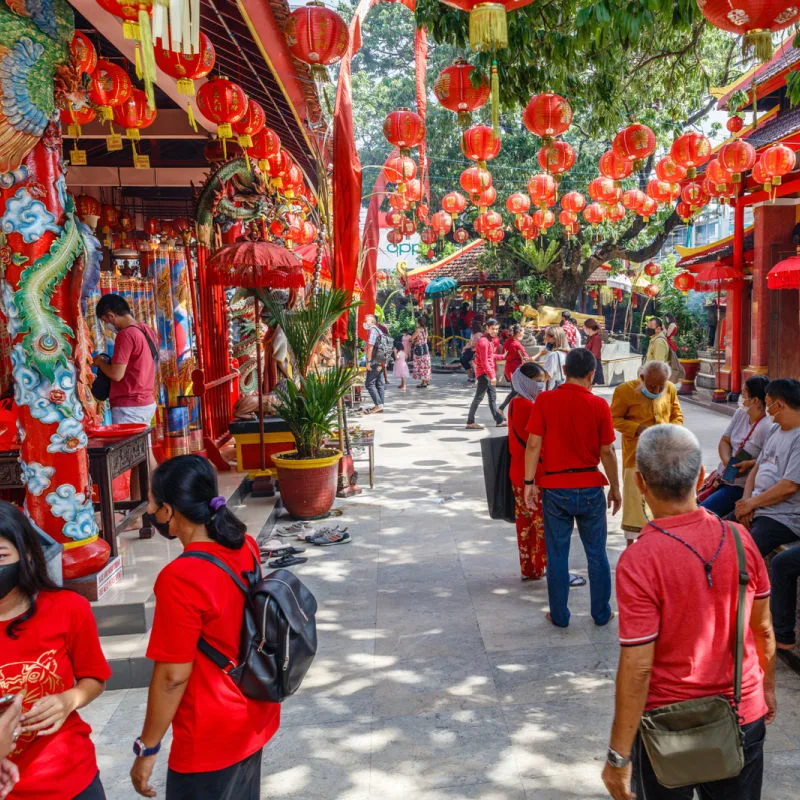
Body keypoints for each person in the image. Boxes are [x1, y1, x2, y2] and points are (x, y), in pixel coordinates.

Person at [602, 425, 776, 800]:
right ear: (700, 476)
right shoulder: (740, 538)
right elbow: (763, 629)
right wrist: (768, 688)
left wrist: (618, 756)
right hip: (741, 712)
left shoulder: (639, 560)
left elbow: (638, 667)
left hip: (668, 726)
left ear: (640, 483)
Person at [130, 455, 280, 800]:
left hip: (209, 733)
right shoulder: (245, 546)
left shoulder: (180, 578)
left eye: (151, 503)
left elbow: (172, 677)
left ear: (168, 511)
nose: (148, 512)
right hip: (252, 713)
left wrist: (147, 749)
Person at [0, 501, 111, 800]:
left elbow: (95, 678)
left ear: (25, 555)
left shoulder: (68, 609)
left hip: (71, 779)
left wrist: (68, 699)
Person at [524, 348, 622, 628]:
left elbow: (533, 444)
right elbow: (608, 452)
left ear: (564, 371)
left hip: (555, 488)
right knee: (597, 554)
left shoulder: (545, 400)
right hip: (590, 486)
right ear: (591, 374)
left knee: (557, 554)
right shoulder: (599, 405)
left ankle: (559, 615)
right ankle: (601, 613)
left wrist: (529, 482)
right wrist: (615, 487)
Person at [610, 362, 683, 542]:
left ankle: (657, 543)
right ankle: (632, 546)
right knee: (635, 504)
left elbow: (677, 415)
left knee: (660, 504)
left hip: (663, 457)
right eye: (652, 386)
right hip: (636, 456)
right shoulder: (624, 391)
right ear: (642, 378)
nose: (657, 389)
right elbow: (613, 419)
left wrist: (671, 430)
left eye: (661, 386)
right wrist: (636, 428)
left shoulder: (671, 389)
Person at [735, 378, 800, 558]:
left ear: (779, 405)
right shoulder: (775, 429)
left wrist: (751, 504)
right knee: (720, 534)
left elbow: (789, 487)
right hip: (758, 506)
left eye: (769, 404)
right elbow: (757, 468)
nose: (767, 409)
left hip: (783, 516)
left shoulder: (798, 438)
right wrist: (746, 501)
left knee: (743, 555)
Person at [701, 376, 771, 518]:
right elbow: (725, 440)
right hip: (722, 477)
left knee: (702, 512)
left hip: (740, 486)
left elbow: (769, 459)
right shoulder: (741, 413)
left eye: (744, 393)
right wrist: (727, 462)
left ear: (755, 400)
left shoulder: (767, 426)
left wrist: (749, 464)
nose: (740, 396)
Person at [507, 362, 548, 581]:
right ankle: (547, 566)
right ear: (526, 382)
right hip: (533, 475)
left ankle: (530, 568)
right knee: (542, 525)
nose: (542, 386)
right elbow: (536, 442)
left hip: (517, 473)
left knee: (525, 523)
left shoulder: (515, 403)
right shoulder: (529, 406)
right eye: (538, 382)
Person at [93, 293, 158, 426]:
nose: (108, 325)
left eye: (106, 321)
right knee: (142, 446)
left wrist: (100, 363)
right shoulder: (145, 329)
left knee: (129, 446)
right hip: (146, 402)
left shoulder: (126, 335)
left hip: (130, 407)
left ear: (111, 316)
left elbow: (116, 374)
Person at [466, 318, 506, 430]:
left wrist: (501, 356)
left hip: (487, 373)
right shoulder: (484, 341)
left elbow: (490, 356)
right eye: (493, 328)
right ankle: (470, 421)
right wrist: (492, 376)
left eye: (497, 329)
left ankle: (498, 420)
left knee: (492, 397)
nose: (495, 331)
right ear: (487, 328)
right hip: (484, 374)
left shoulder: (489, 340)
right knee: (479, 398)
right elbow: (484, 362)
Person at [498, 324, 529, 413]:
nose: (524, 334)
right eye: (523, 332)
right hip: (516, 370)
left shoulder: (507, 342)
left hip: (509, 369)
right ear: (518, 333)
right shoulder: (517, 345)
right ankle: (502, 408)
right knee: (516, 391)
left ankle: (508, 410)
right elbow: (526, 357)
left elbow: (504, 355)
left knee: (516, 391)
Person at [363, 313, 386, 414]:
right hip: (381, 360)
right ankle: (380, 405)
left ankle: (378, 405)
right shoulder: (379, 331)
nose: (364, 322)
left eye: (366, 320)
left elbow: (371, 347)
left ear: (372, 322)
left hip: (374, 361)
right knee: (379, 383)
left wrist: (368, 362)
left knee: (369, 383)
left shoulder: (372, 330)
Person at [535, 326, 569, 390]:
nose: (544, 340)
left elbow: (545, 377)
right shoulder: (565, 353)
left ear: (553, 339)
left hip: (552, 389)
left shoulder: (553, 355)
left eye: (545, 337)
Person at [411, 316, 432, 389]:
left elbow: (412, 338)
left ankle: (423, 382)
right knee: (426, 364)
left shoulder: (418, 330)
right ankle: (426, 380)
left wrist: (413, 340)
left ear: (419, 322)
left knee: (421, 365)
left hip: (419, 349)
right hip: (425, 348)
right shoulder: (426, 329)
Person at [584, 319, 604, 385]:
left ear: (589, 328)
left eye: (585, 327)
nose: (584, 329)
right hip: (590, 363)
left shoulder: (596, 338)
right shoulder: (591, 337)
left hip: (594, 364)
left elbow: (594, 354)